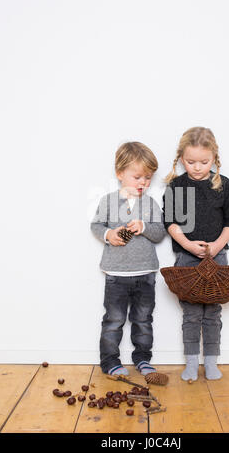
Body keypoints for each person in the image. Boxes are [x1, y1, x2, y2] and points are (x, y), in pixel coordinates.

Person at [162, 127, 229, 381]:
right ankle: (192, 362)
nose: (197, 167)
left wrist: (216, 246)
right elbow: (170, 222)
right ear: (181, 158)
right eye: (190, 161)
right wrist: (188, 245)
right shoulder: (176, 185)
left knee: (213, 311)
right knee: (192, 312)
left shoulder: (224, 185)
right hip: (187, 259)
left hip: (217, 258)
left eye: (204, 162)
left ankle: (211, 361)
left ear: (214, 159)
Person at [91, 141, 166, 377]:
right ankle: (110, 361)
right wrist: (108, 235)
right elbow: (95, 225)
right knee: (113, 320)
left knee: (143, 320)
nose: (143, 183)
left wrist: (143, 226)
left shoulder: (151, 204)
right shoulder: (108, 201)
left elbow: (159, 233)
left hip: (145, 273)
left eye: (148, 178)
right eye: (137, 177)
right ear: (120, 173)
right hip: (116, 274)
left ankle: (143, 359)